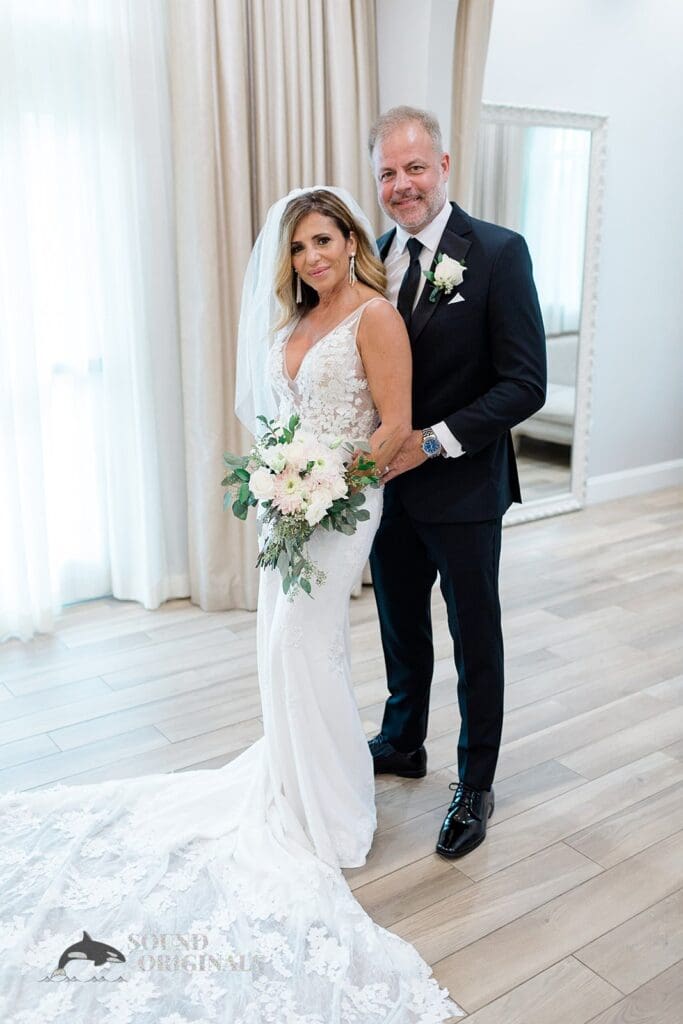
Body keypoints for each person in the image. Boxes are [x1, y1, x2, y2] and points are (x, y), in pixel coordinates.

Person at [0, 187, 462, 1023]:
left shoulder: (374, 317)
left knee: (301, 646)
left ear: (349, 239)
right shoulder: (295, 325)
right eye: (297, 249)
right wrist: (283, 482)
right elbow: (282, 418)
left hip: (342, 508)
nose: (311, 258)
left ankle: (329, 808)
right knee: (279, 649)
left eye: (322, 240)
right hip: (294, 504)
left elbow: (393, 427)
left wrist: (328, 491)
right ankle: (295, 782)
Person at [367, 107, 547, 860]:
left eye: (414, 168)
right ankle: (403, 740)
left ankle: (474, 782)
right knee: (399, 626)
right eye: (386, 172)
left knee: (474, 637)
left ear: (444, 166)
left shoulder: (499, 253)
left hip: (464, 487)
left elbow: (524, 384)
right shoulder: (371, 259)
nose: (401, 185)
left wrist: (433, 443)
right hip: (390, 495)